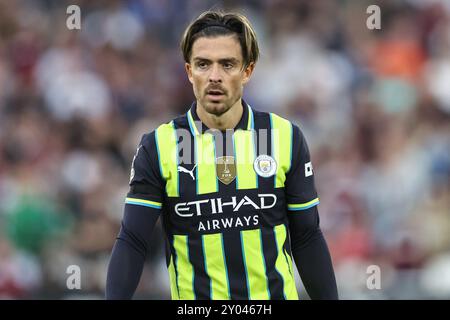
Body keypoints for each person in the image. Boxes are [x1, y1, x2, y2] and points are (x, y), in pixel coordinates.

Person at [106, 10, 338, 300]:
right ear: (189, 71)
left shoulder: (284, 136)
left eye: (227, 64)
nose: (214, 76)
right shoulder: (160, 145)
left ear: (247, 71)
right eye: (203, 64)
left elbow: (307, 236)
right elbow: (133, 239)